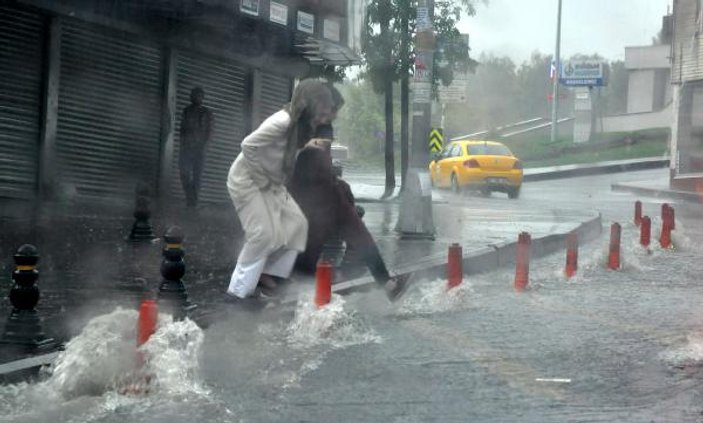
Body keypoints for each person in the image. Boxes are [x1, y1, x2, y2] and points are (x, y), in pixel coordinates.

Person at [225, 79, 335, 300]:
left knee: (297, 224)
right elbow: (248, 145)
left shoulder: (301, 125)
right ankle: (236, 293)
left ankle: (266, 274)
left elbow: (286, 146)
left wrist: (309, 145)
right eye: (321, 112)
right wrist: (261, 179)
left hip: (271, 182)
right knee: (262, 236)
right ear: (309, 105)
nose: (324, 118)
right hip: (248, 180)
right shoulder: (282, 121)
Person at [288, 123, 412, 301]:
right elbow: (309, 184)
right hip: (321, 211)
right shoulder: (308, 156)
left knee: (362, 241)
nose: (327, 144)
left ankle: (386, 284)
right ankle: (300, 297)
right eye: (325, 141)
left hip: (330, 209)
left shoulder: (315, 156)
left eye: (329, 141)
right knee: (310, 255)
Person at [179, 87, 213, 208]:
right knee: (184, 173)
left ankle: (192, 203)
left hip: (199, 149)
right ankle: (190, 197)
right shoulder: (186, 111)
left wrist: (203, 146)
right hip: (186, 148)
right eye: (192, 95)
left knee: (197, 176)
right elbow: (182, 129)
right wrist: (183, 143)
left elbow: (209, 131)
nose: (193, 97)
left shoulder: (207, 112)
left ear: (202, 98)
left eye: (197, 95)